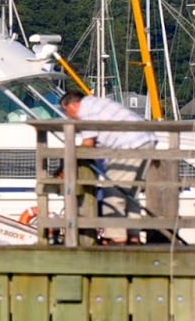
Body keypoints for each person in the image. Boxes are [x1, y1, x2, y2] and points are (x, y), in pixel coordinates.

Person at [57, 89, 164, 238]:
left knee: (113, 192)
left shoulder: (85, 110)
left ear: (73, 104)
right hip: (146, 140)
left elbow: (88, 144)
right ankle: (133, 236)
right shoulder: (97, 104)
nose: (68, 116)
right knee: (131, 194)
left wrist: (67, 156)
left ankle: (116, 237)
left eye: (67, 111)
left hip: (127, 145)